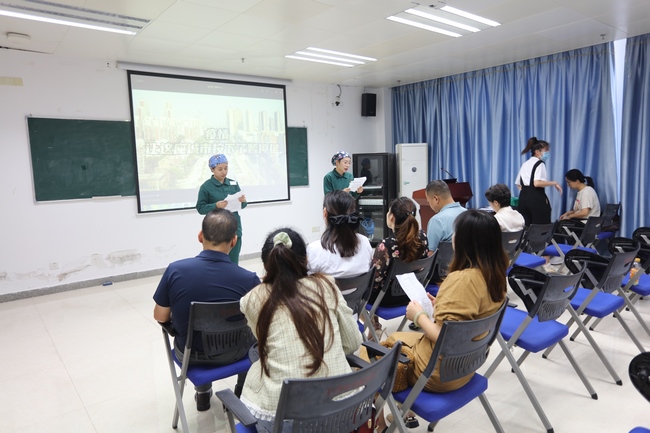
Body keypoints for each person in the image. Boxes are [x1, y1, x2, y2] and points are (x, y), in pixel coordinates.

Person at [374, 210, 508, 433]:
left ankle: (378, 420)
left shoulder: (460, 280)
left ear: (466, 241)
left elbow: (446, 339)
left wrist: (417, 316)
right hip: (468, 366)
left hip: (437, 374)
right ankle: (404, 411)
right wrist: (440, 305)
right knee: (401, 339)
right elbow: (467, 318)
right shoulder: (496, 275)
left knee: (376, 351)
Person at [239, 228, 363, 421]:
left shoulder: (252, 300)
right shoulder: (326, 285)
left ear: (265, 265)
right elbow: (353, 342)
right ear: (306, 259)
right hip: (340, 415)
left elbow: (264, 342)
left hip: (283, 418)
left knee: (255, 356)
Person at [153, 209, 260, 411]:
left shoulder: (175, 270)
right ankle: (239, 394)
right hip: (238, 353)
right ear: (234, 241)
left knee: (195, 333)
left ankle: (202, 393)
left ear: (200, 236)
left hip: (191, 355)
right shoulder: (249, 279)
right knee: (254, 337)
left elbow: (160, 316)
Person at [370, 197, 429, 307]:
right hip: (413, 294)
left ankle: (373, 321)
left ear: (391, 217)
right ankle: (374, 322)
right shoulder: (423, 237)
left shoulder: (385, 246)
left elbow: (375, 280)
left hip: (387, 299)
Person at [307, 190, 373, 278]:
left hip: (328, 292)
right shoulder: (365, 242)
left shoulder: (314, 250)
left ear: (325, 213)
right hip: (361, 292)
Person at [196, 154, 247, 265]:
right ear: (212, 169)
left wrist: (242, 201)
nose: (224, 172)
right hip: (216, 229)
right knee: (217, 262)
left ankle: (232, 280)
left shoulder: (233, 184)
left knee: (233, 261)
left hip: (234, 227)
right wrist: (215, 206)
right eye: (220, 169)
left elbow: (242, 206)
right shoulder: (206, 187)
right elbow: (200, 208)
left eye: (226, 168)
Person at [515, 137, 563, 225]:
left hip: (523, 199)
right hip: (536, 199)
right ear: (537, 152)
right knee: (540, 228)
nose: (547, 153)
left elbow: (518, 184)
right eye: (546, 150)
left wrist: (527, 193)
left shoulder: (525, 164)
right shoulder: (540, 164)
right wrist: (554, 183)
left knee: (526, 227)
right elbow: (537, 183)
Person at [425, 180, 467, 252]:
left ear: (436, 199)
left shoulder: (437, 220)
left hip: (448, 263)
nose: (430, 205)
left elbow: (431, 254)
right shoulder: (468, 214)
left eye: (429, 201)